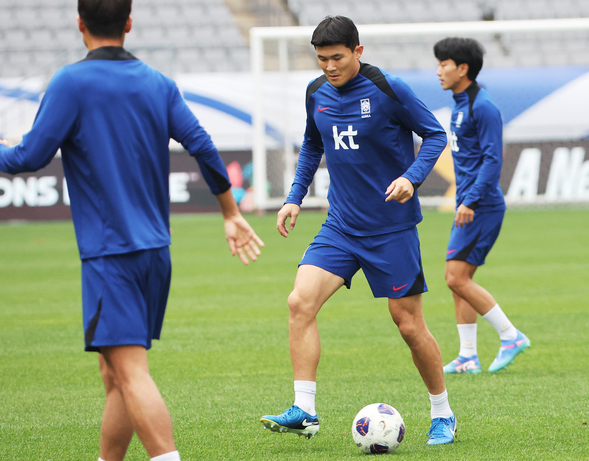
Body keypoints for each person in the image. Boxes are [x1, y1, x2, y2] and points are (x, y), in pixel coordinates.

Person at [0, 1, 264, 460]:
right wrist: (229, 211)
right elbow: (202, 144)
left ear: (80, 24)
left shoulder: (70, 82)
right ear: (128, 23)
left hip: (111, 254)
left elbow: (29, 157)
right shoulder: (158, 83)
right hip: (155, 254)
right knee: (115, 374)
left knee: (130, 372)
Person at [260, 16, 456, 445]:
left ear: (358, 52)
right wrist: (294, 197)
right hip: (341, 227)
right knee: (299, 302)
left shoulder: (388, 88)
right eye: (322, 59)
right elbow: (313, 144)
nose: (329, 66)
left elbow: (434, 135)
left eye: (337, 57)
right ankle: (305, 410)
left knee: (408, 325)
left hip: (391, 229)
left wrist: (412, 177)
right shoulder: (316, 92)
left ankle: (443, 413)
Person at [434, 38, 530, 375]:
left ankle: (510, 335)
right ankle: (468, 356)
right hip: (469, 203)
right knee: (459, 279)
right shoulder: (462, 102)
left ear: (462, 68)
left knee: (455, 278)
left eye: (443, 64)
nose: (438, 71)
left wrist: (471, 200)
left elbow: (493, 160)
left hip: (481, 206)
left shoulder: (483, 106)